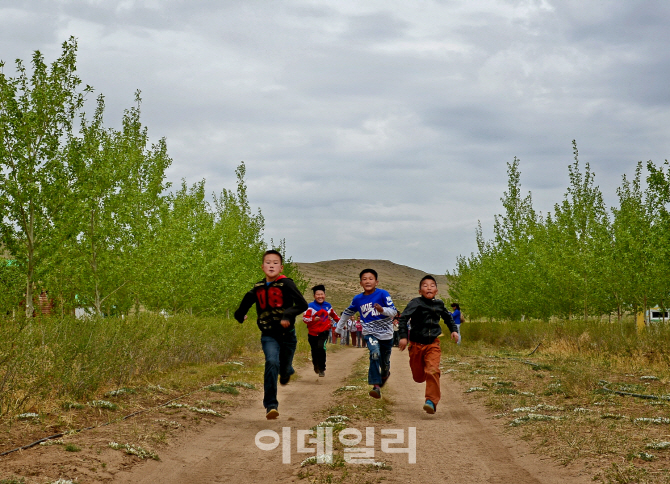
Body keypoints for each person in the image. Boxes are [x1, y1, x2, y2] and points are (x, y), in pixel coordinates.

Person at [234, 249, 308, 420]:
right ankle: (271, 405)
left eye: (275, 263)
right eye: (268, 262)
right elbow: (245, 303)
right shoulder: (258, 288)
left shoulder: (287, 284)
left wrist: (287, 315)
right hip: (269, 335)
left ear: (281, 268)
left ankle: (287, 370)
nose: (271, 265)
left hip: (288, 334)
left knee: (284, 367)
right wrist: (240, 315)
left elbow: (302, 304)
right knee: (271, 361)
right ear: (262, 267)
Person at [398, 275, 459, 414]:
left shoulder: (439, 304)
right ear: (420, 291)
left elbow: (448, 318)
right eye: (425, 285)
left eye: (432, 285)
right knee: (418, 377)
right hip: (416, 344)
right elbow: (403, 318)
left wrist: (454, 331)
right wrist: (403, 337)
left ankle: (431, 401)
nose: (429, 287)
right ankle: (426, 374)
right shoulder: (415, 302)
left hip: (433, 344)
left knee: (432, 370)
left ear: (436, 290)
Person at [337, 269, 397, 399]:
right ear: (360, 283)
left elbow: (393, 312)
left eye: (371, 278)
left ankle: (385, 374)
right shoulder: (358, 299)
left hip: (386, 334)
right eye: (364, 279)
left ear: (376, 282)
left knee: (385, 362)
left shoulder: (383, 294)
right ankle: (375, 386)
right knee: (374, 353)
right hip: (370, 333)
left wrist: (382, 310)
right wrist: (339, 328)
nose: (367, 281)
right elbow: (347, 312)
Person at [302, 284, 340, 377]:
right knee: (314, 350)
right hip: (312, 333)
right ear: (314, 296)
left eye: (321, 294)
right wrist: (312, 320)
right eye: (317, 294)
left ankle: (322, 368)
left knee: (321, 348)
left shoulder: (328, 306)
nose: (320, 296)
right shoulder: (310, 306)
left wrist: (341, 324)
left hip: (324, 332)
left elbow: (335, 316)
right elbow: (304, 318)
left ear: (325, 295)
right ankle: (316, 366)